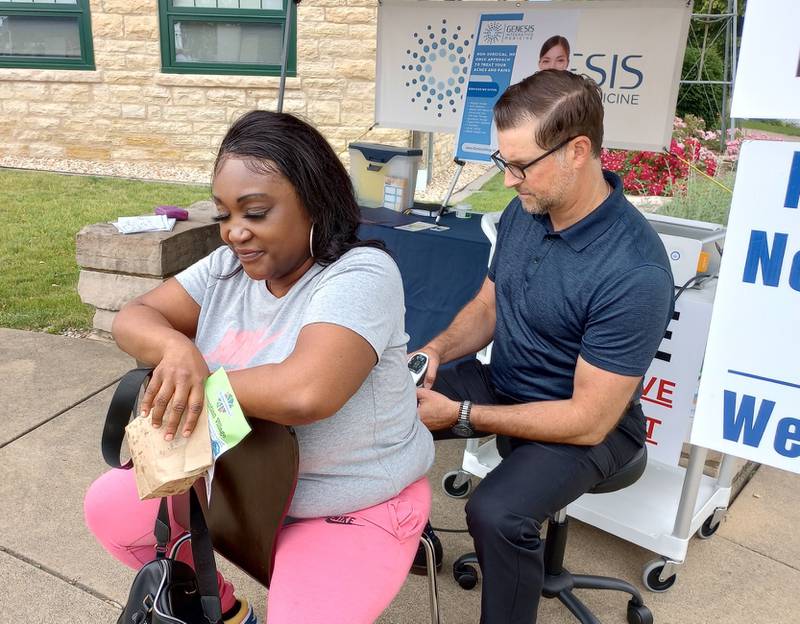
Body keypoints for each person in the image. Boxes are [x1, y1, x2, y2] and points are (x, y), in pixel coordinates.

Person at [84, 110, 435, 624]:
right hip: (239, 482)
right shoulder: (228, 268)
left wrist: (196, 380)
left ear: (314, 202)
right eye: (225, 214)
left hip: (348, 500)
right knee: (111, 510)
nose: (234, 233)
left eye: (255, 212)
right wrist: (177, 351)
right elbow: (137, 316)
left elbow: (307, 393)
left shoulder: (362, 274)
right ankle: (225, 610)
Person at [415, 70, 674, 623]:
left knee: (496, 512)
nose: (508, 181)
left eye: (520, 165)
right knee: (383, 406)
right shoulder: (527, 209)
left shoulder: (635, 271)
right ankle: (409, 537)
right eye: (502, 161)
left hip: (591, 426)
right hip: (506, 384)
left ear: (577, 151)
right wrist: (435, 351)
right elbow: (488, 306)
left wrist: (462, 413)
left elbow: (586, 419)